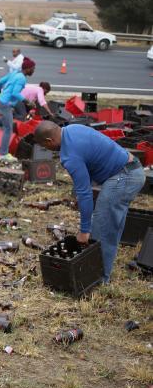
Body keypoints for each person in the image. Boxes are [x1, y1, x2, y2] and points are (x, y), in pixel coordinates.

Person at [33, 121, 145, 282]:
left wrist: (84, 230)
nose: (46, 149)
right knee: (109, 222)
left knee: (101, 227)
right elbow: (92, 158)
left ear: (49, 141)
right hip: (131, 167)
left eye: (44, 146)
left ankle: (98, 278)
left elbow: (85, 193)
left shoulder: (69, 156)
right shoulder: (73, 128)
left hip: (124, 176)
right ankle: (102, 269)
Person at [0, 57, 36, 161]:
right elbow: (15, 93)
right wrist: (28, 102)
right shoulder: (21, 78)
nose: (34, 71)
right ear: (28, 69)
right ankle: (3, 154)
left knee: (5, 122)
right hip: (4, 104)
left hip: (0, 101)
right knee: (8, 128)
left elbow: (0, 82)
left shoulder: (15, 73)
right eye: (33, 69)